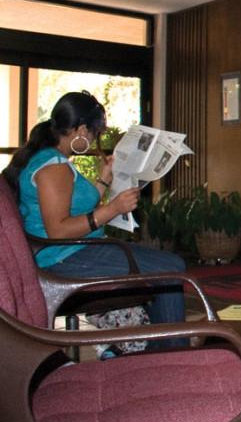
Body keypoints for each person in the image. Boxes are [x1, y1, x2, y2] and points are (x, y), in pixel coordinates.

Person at [2, 91, 187, 348]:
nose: (93, 139)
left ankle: (161, 347)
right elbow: (57, 230)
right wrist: (113, 209)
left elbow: (73, 209)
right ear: (79, 129)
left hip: (74, 250)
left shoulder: (52, 160)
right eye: (94, 132)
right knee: (171, 267)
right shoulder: (53, 167)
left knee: (163, 266)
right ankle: (172, 353)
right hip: (65, 257)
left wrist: (104, 179)